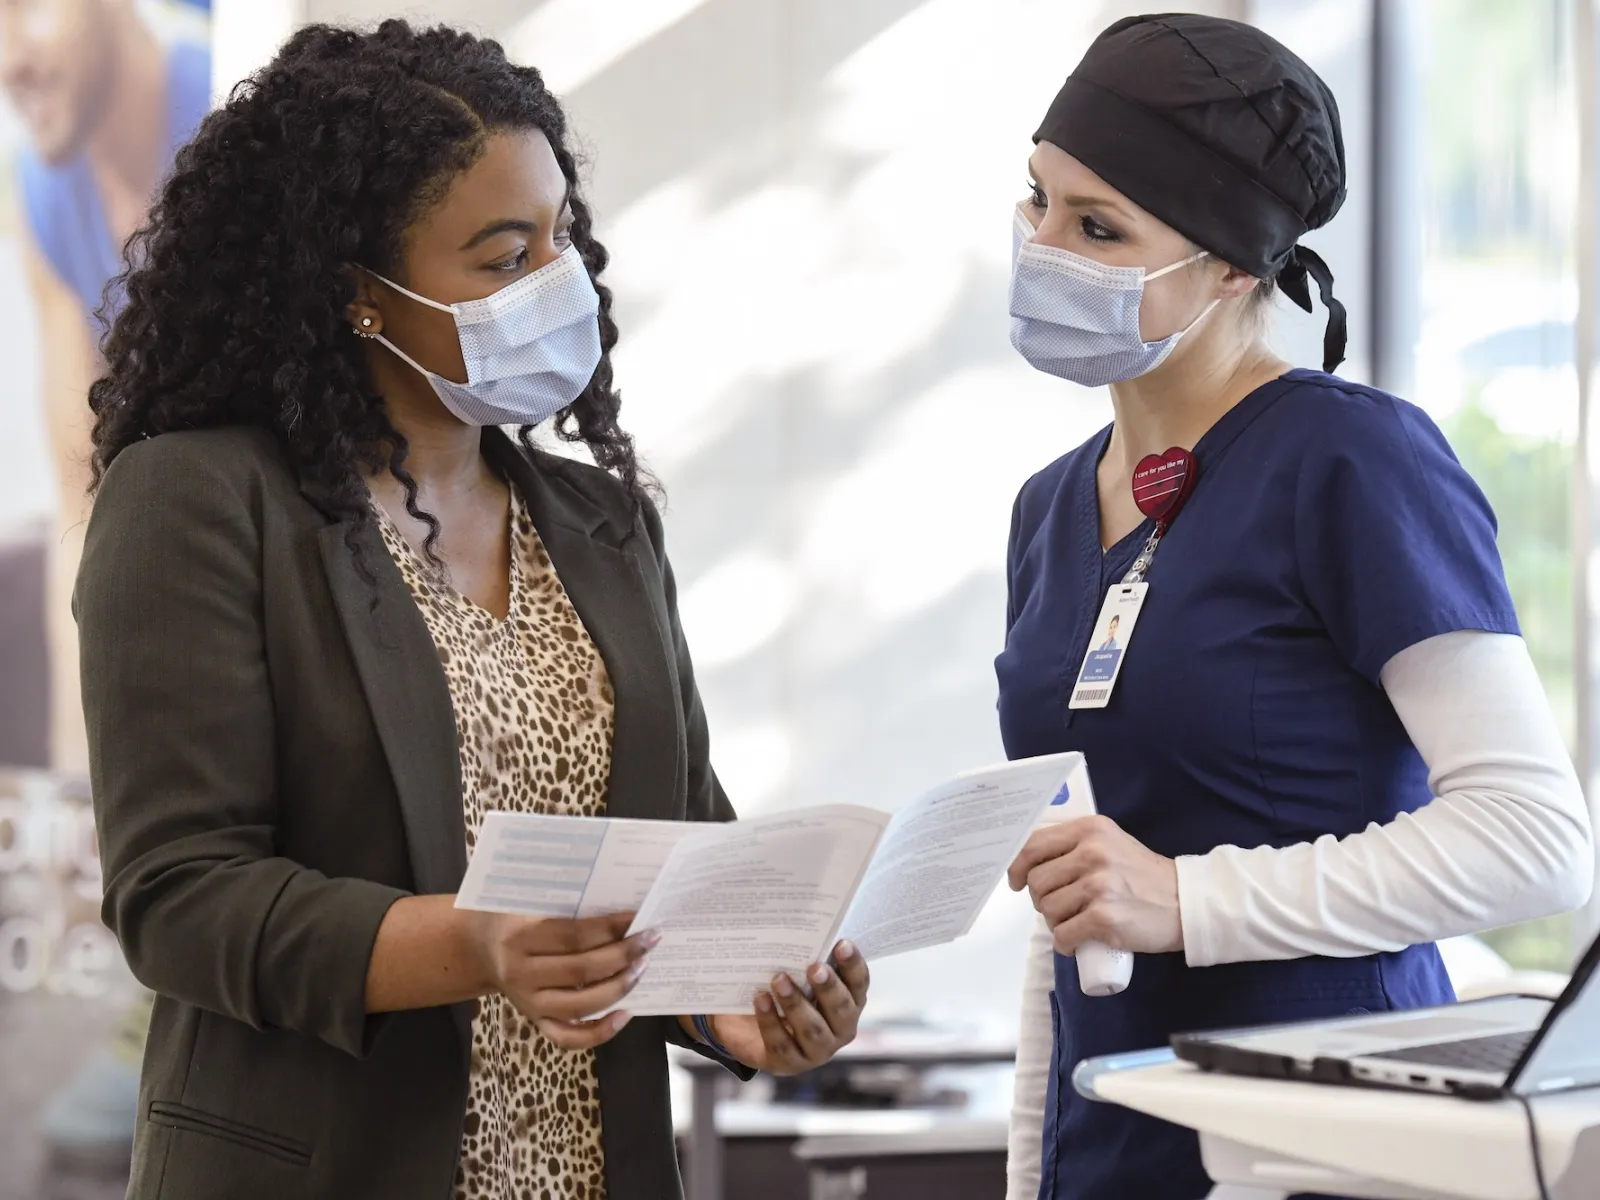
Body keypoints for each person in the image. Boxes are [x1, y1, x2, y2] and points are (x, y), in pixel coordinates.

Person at [74, 22, 869, 1200]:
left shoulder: (604, 525)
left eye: (561, 239)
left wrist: (735, 1005)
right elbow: (179, 895)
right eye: (504, 258)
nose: (556, 283)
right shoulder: (198, 499)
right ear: (359, 294)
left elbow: (681, 849)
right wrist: (476, 942)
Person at [994, 16, 1593, 1200]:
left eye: (1098, 227)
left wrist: (1186, 899)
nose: (1041, 249)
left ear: (1230, 264)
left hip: (1327, 1147)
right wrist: (1029, 1173)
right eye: (1037, 201)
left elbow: (1535, 842)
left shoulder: (1351, 461)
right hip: (1112, 1148)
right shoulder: (1049, 509)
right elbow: (1075, 899)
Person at [0, 0, 210, 776]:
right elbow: (79, 499)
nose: (7, 61)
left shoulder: (230, 104)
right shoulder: (40, 194)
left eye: (26, 6)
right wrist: (77, 782)